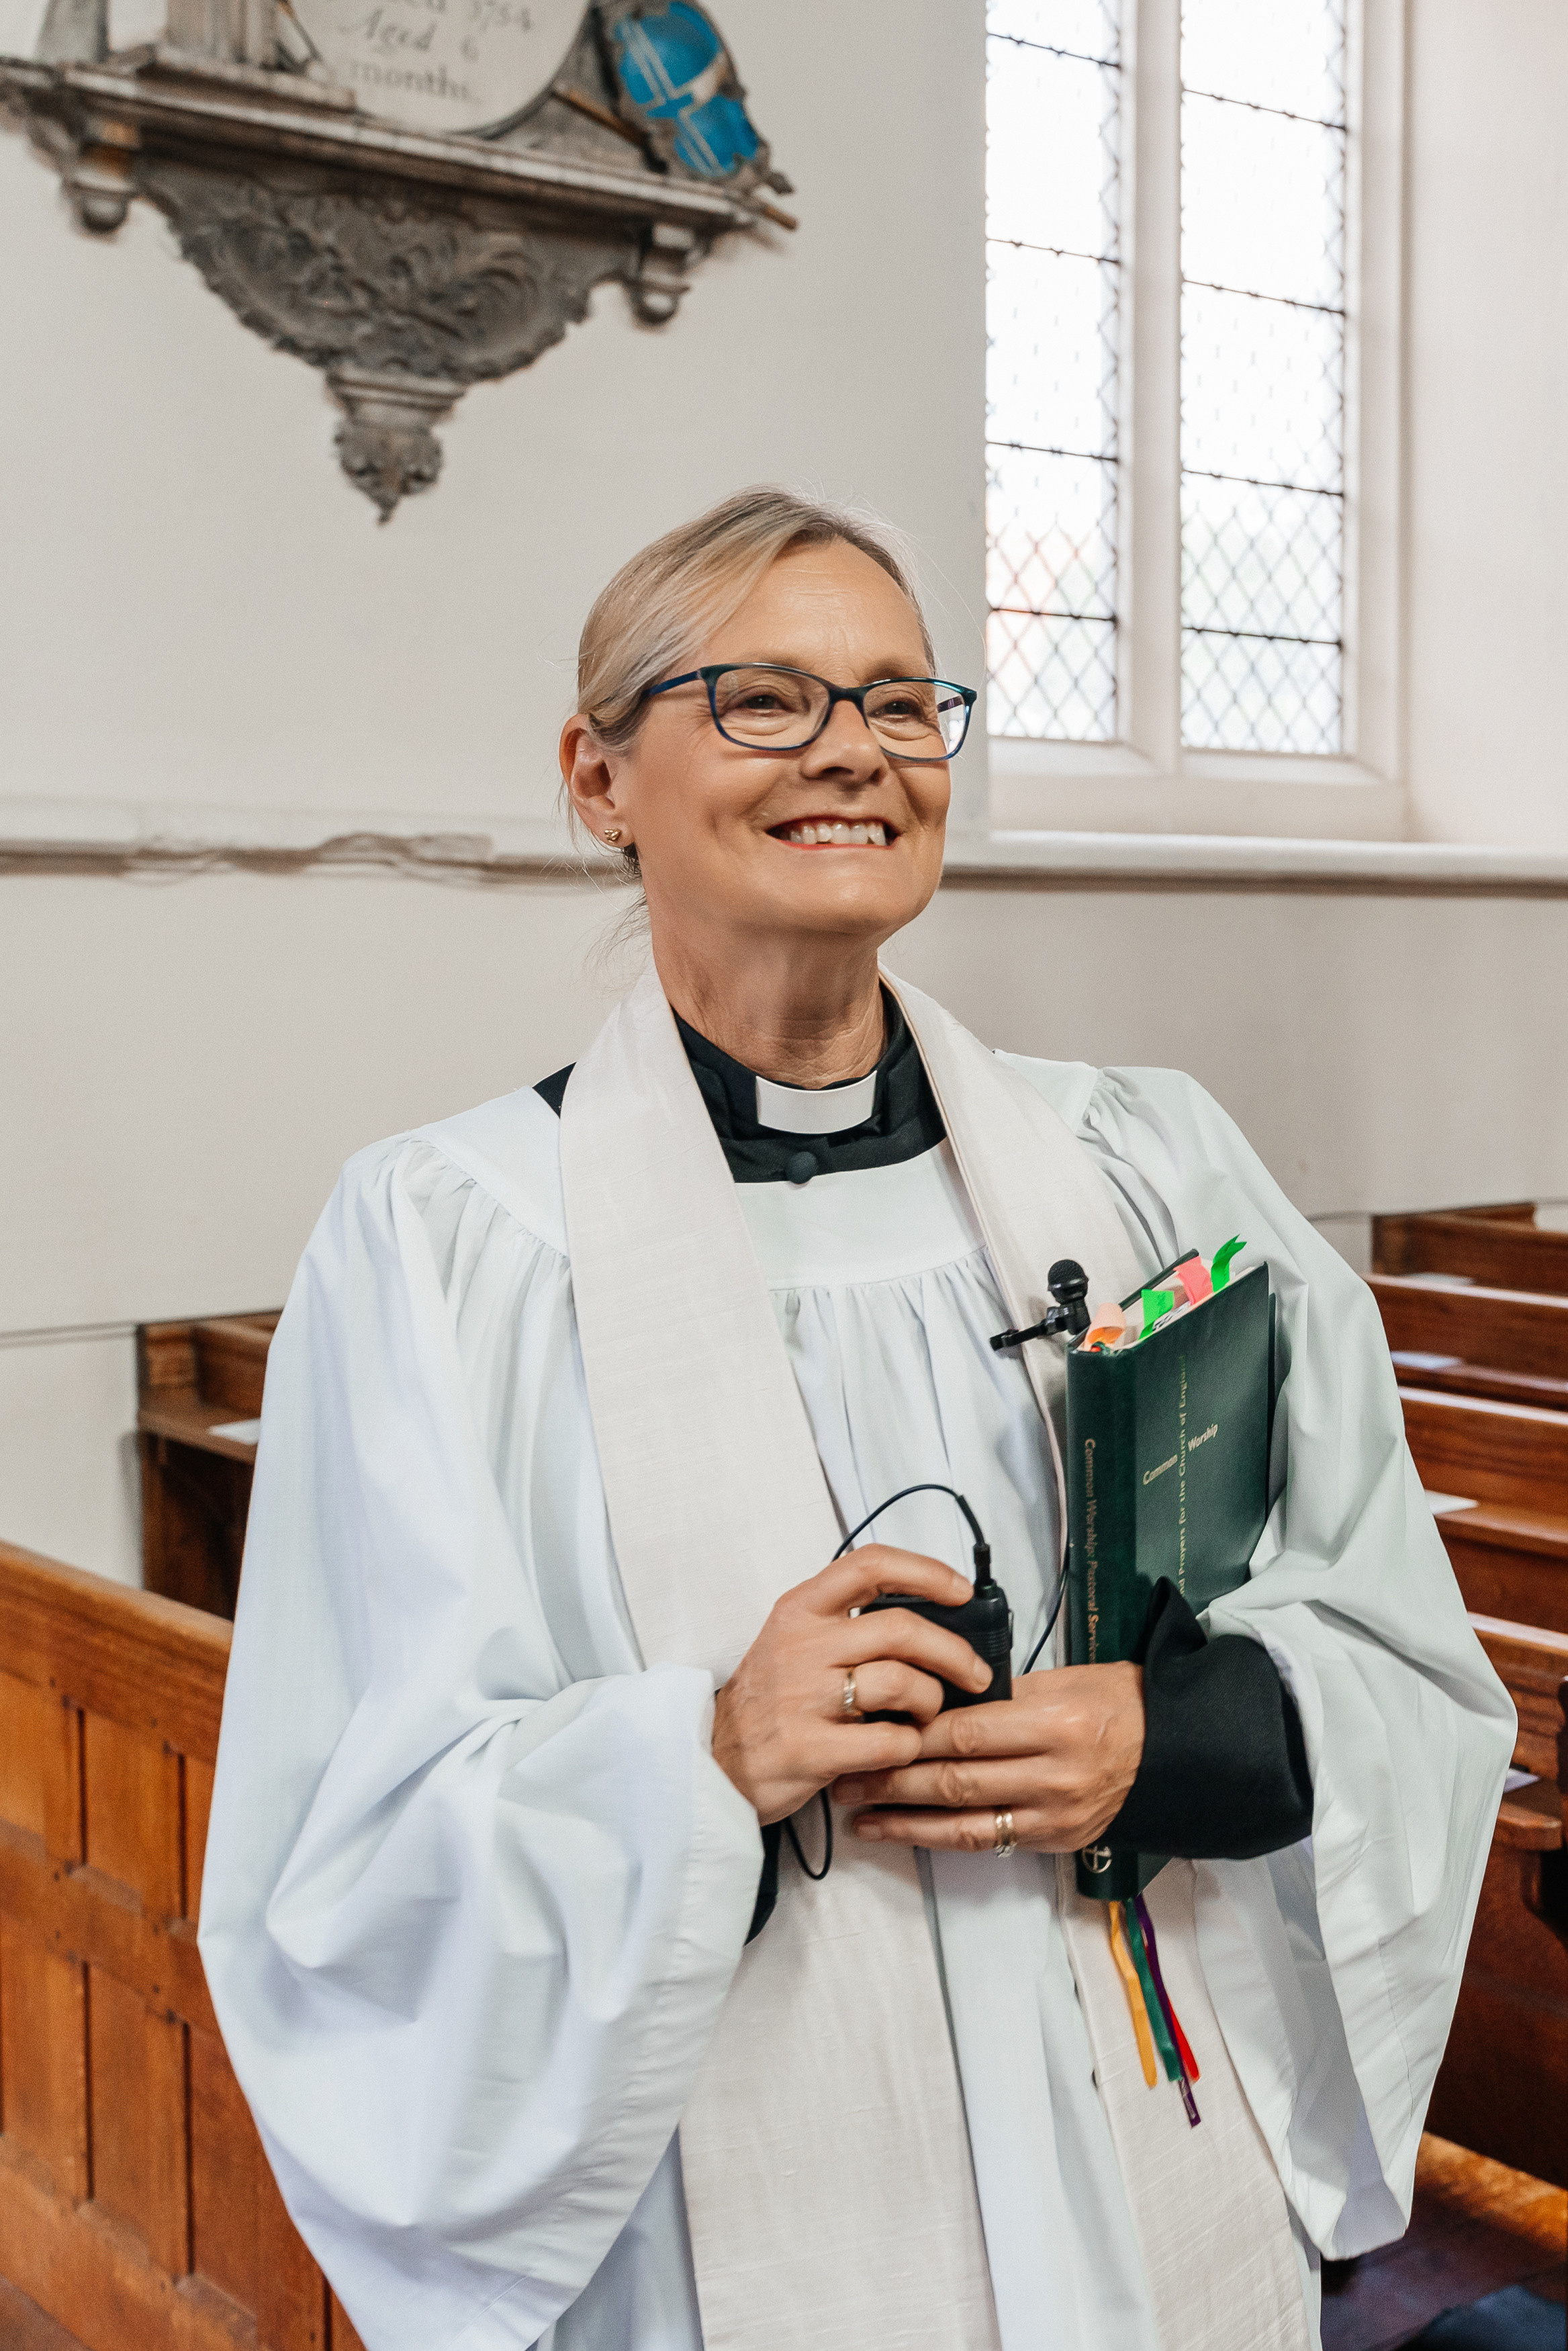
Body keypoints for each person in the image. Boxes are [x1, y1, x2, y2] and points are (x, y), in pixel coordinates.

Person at [199, 488, 1513, 2351]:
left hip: (1144, 2123)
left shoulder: (1152, 1169)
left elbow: (1396, 1647)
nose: (855, 752)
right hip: (725, 2211)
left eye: (903, 703)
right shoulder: (448, 1243)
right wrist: (708, 1755)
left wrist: (1174, 1730)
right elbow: (348, 1856)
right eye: (765, 698)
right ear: (597, 774)